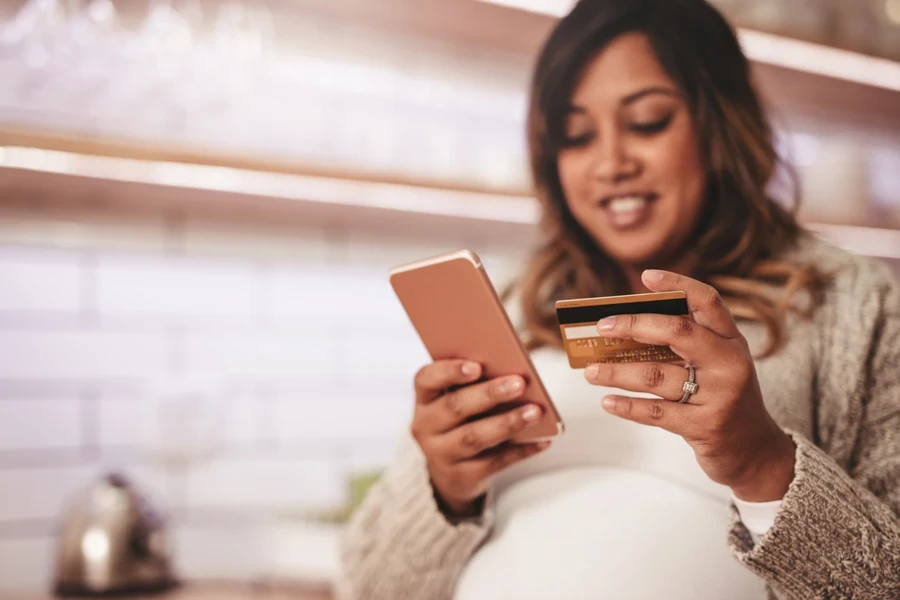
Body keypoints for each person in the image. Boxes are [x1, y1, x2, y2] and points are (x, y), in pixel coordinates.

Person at [336, 0, 900, 598]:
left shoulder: (852, 304)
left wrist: (763, 466)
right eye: (576, 137)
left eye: (648, 121)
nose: (610, 164)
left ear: (720, 126)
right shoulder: (513, 304)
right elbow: (366, 586)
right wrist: (444, 489)